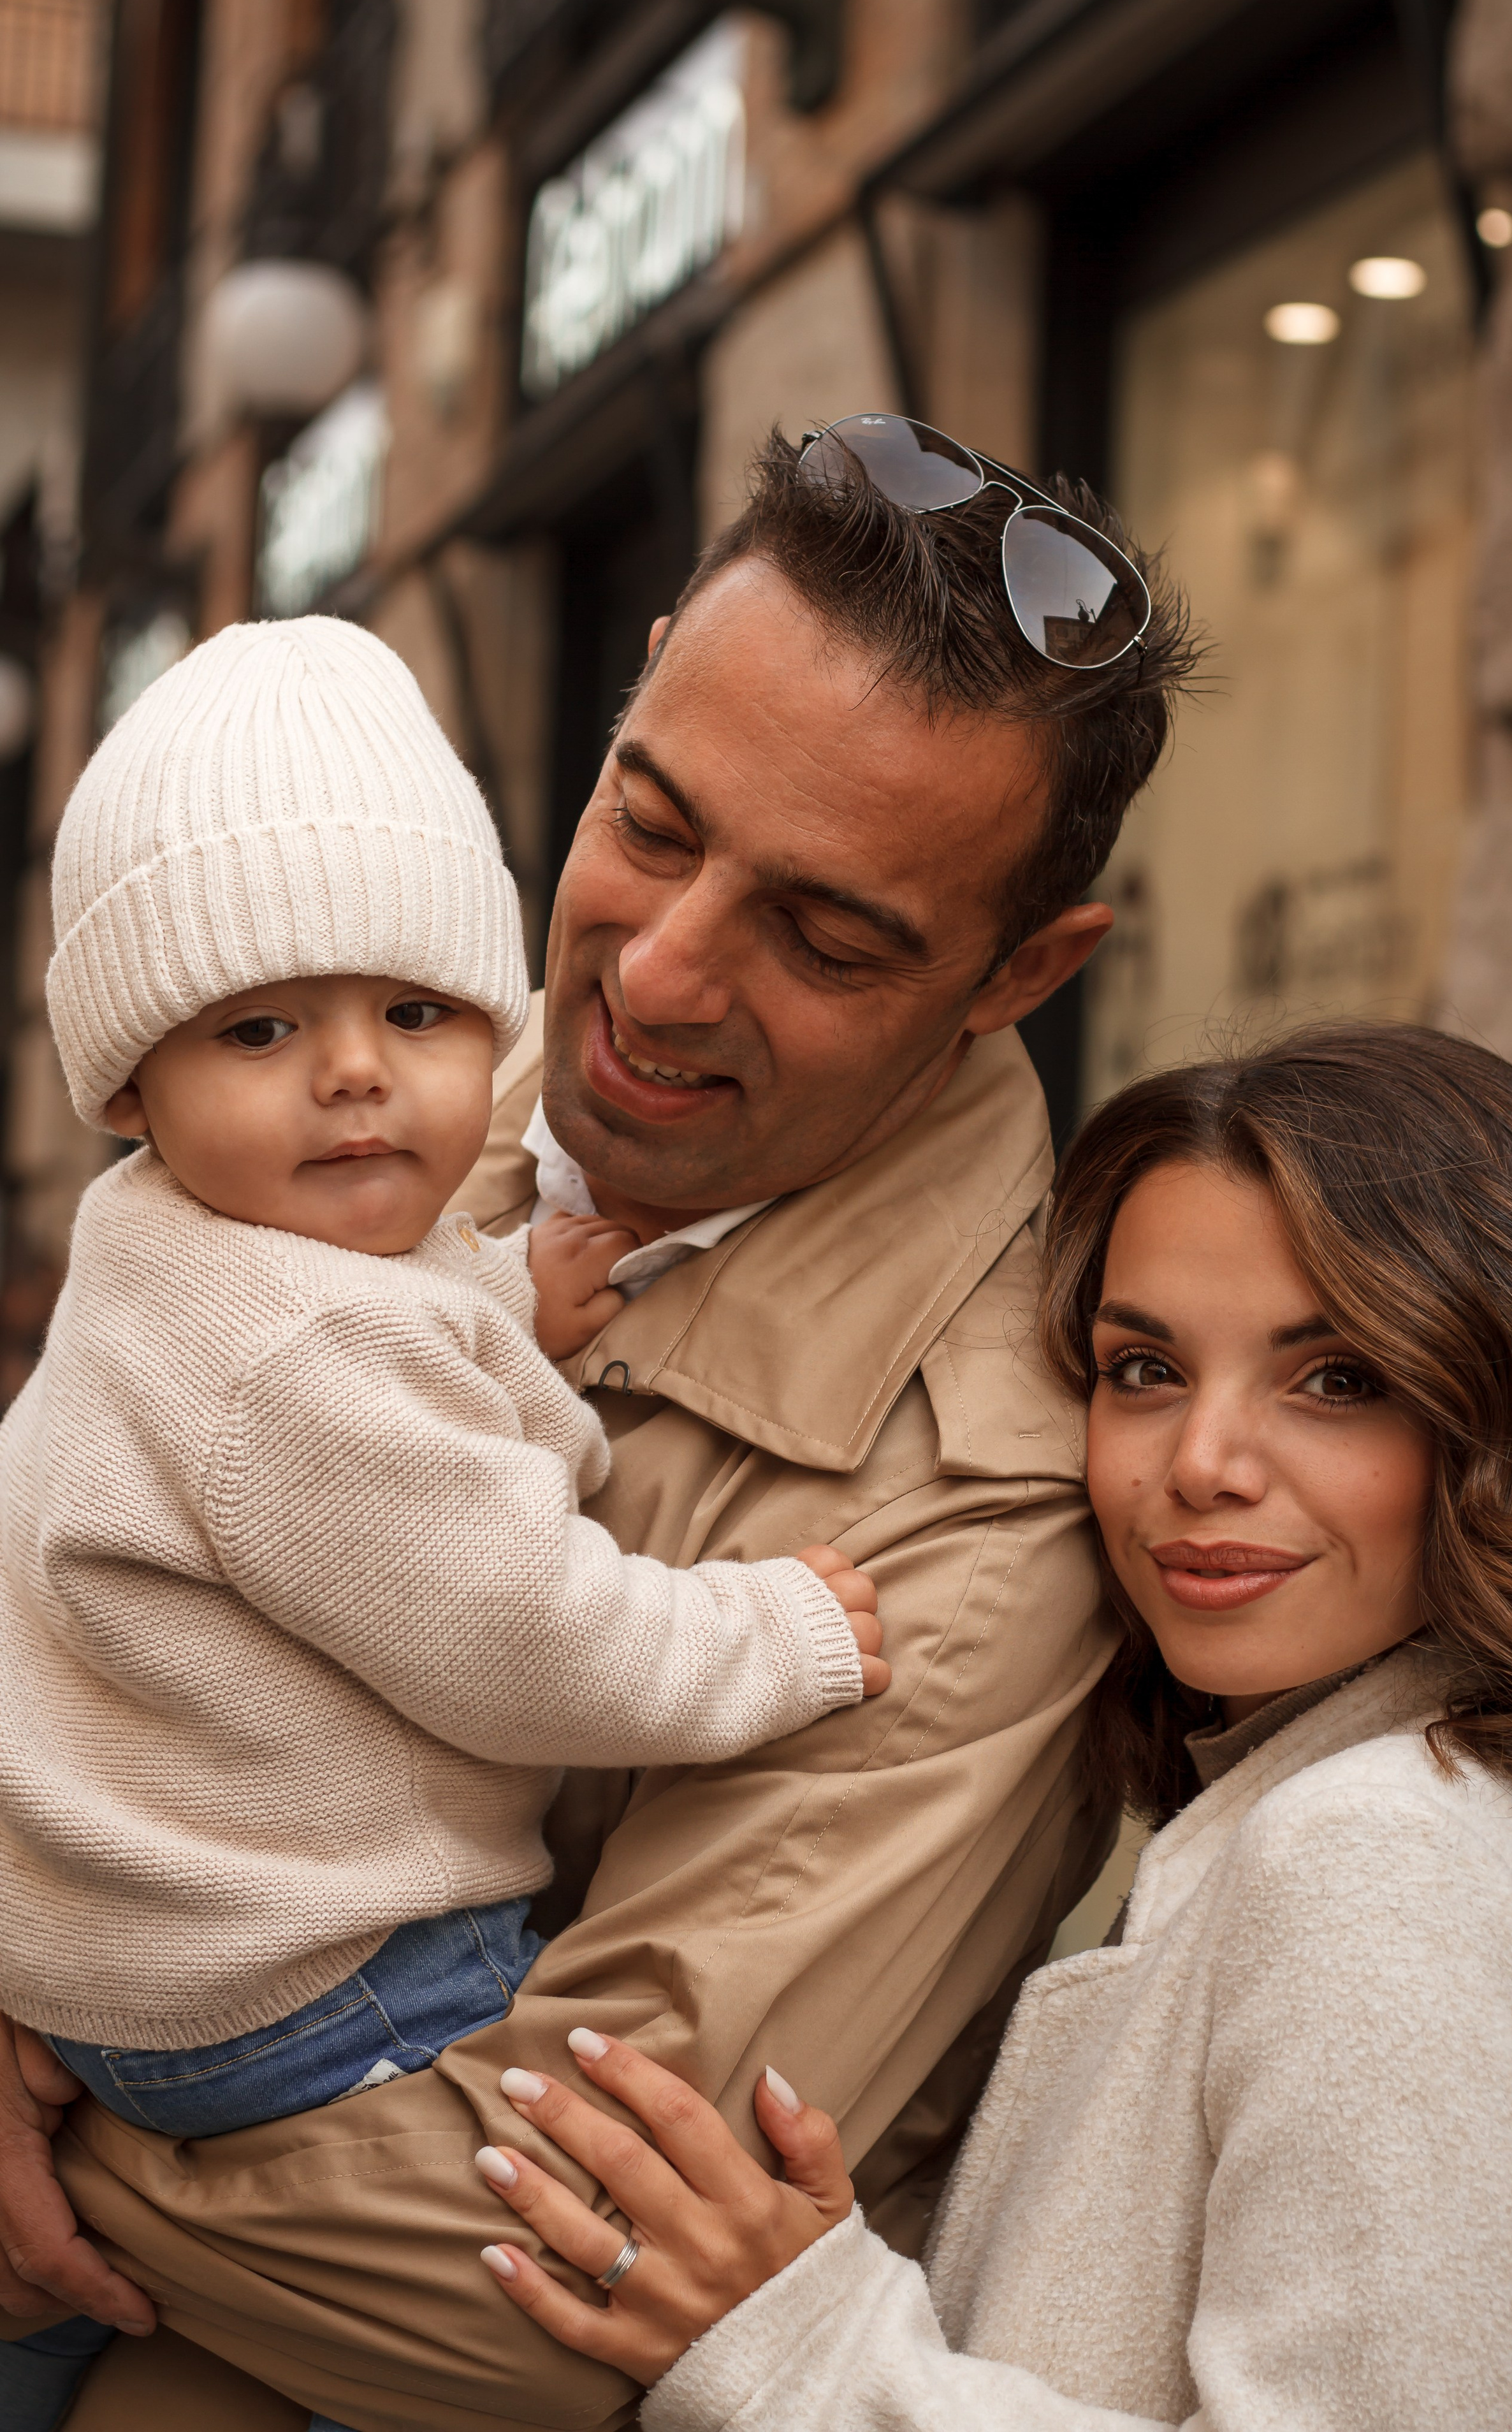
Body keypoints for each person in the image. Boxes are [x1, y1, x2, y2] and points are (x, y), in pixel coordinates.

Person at [0, 418, 1196, 2431]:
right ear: (633, 685)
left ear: (1025, 974)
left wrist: (73, 2103)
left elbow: (551, 2283)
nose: (655, 974)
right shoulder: (354, 1035)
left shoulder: (980, 1519)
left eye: (827, 939)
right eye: (652, 820)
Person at [471, 1023, 1512, 2432]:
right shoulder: (1370, 1808)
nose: (1199, 1465)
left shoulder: (1382, 1863)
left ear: (1505, 1405)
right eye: (1142, 1369)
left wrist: (812, 2359)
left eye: (1334, 1380)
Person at [0, 613, 889, 2430]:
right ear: (131, 1084)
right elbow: (524, 1636)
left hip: (106, 1980)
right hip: (314, 1989)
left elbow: (350, 1351)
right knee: (513, 2265)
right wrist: (774, 1634)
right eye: (262, 1027)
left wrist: (497, 1302)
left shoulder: (166, 1253)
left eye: (413, 1015)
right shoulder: (311, 1354)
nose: (353, 1073)